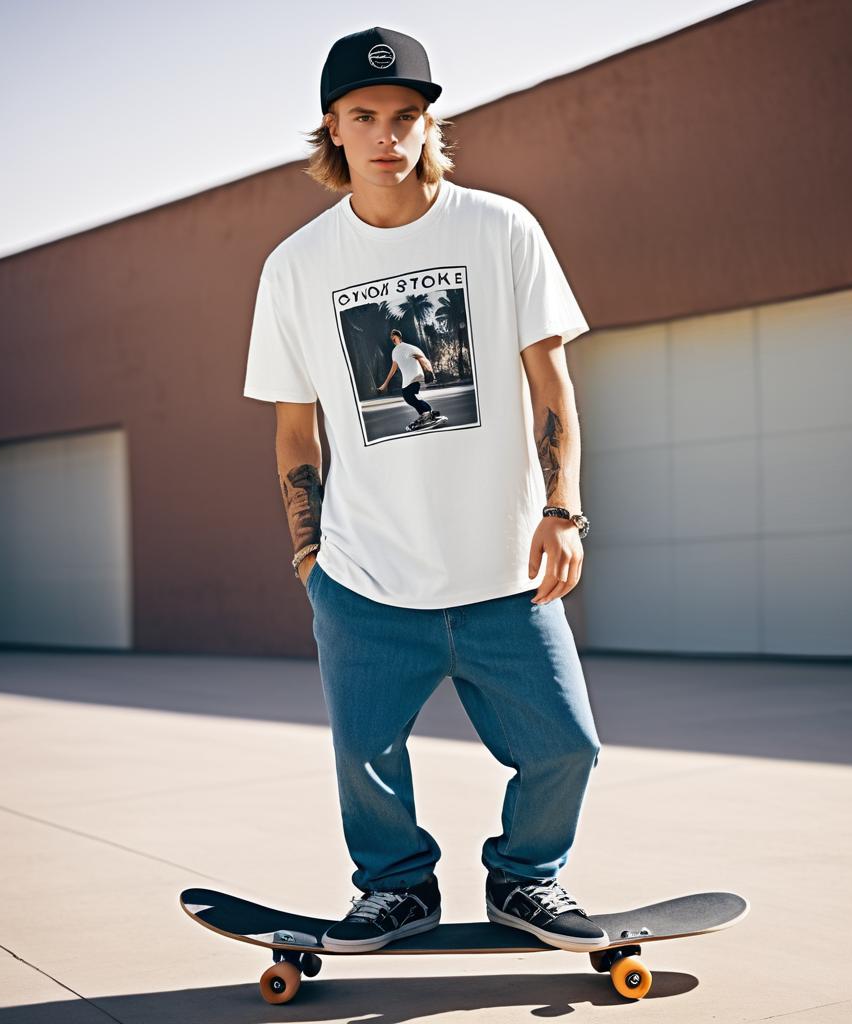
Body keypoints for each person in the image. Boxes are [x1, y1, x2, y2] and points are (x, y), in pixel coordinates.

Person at [243, 26, 604, 954]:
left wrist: (563, 509)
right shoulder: (296, 267)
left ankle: (527, 883)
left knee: (568, 748)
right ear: (332, 126)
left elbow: (551, 381)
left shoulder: (499, 229)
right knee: (366, 763)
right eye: (364, 116)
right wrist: (309, 553)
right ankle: (397, 892)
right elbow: (295, 427)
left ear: (428, 122)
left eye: (406, 116)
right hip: (365, 577)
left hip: (504, 571)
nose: (387, 135)